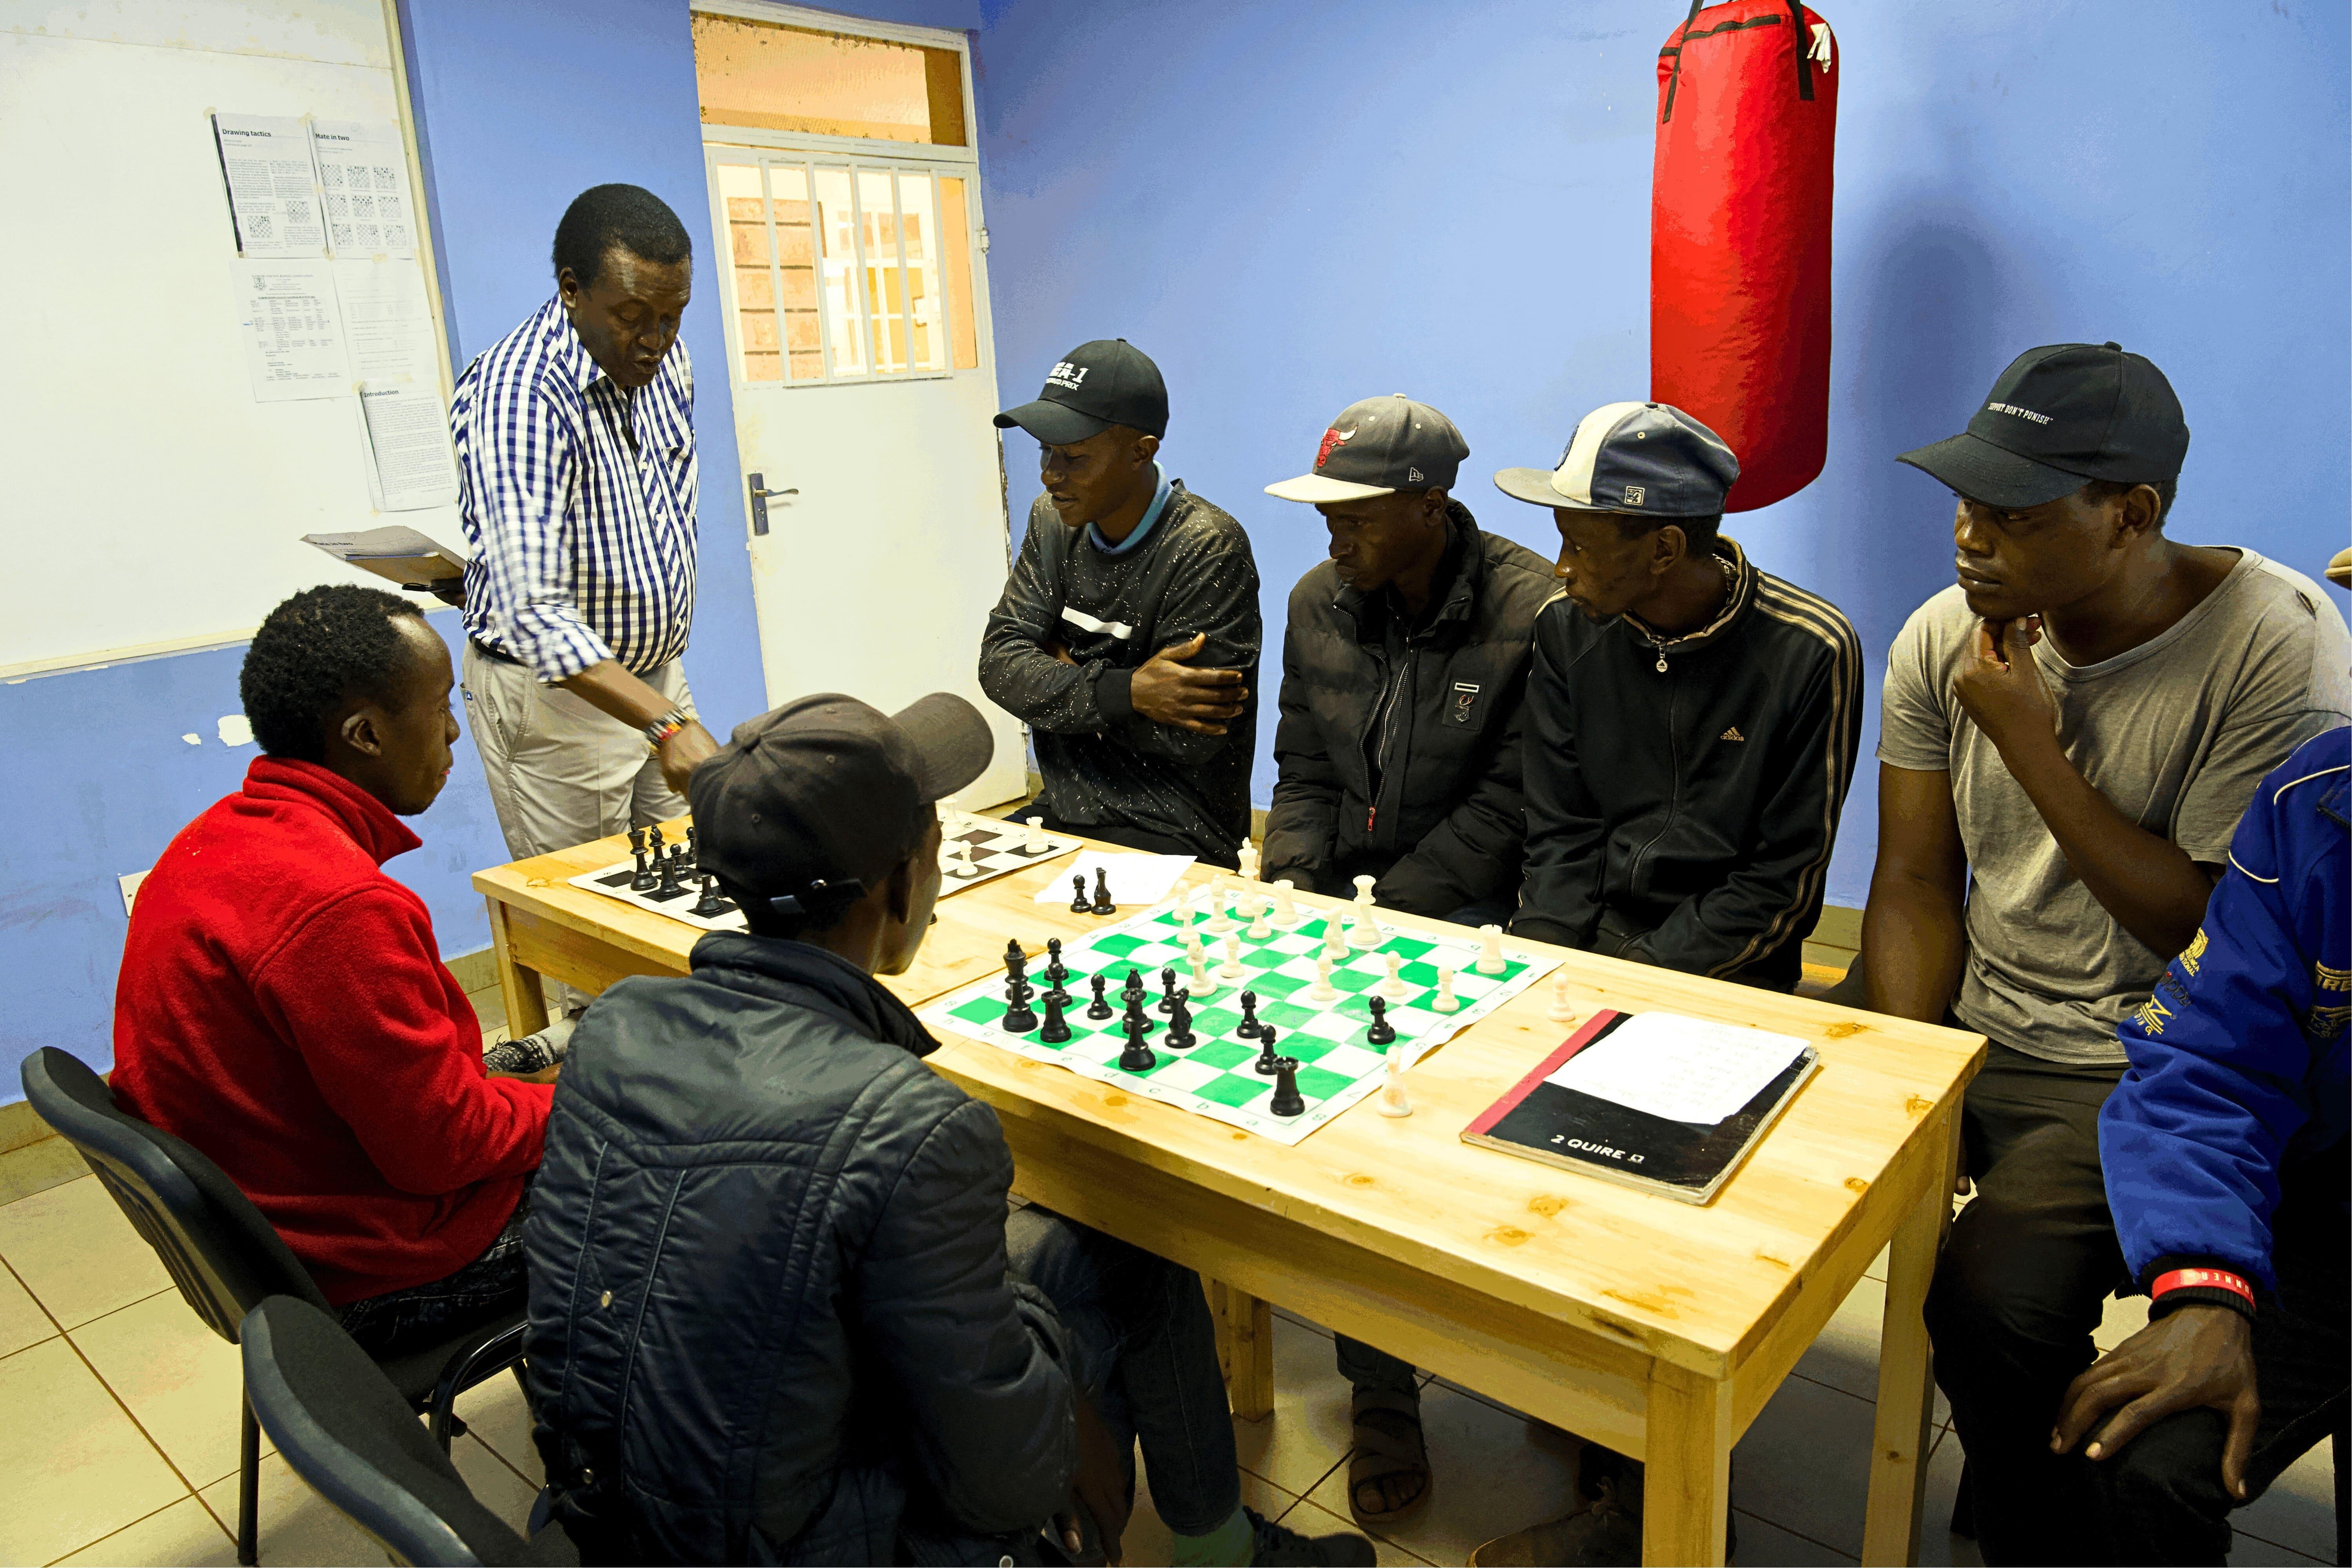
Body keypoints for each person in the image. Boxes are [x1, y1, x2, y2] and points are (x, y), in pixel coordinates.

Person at [521, 692, 1372, 1566]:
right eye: (935, 834)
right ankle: (1183, 1550)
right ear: (902, 882)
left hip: (618, 1512)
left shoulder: (618, 1023)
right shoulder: (913, 1126)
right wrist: (1061, 1406)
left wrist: (1008, 1328)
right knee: (1068, 1369)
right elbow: (1000, 1479)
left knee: (1128, 1246)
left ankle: (1214, 1544)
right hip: (811, 1542)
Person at [1840, 342, 2351, 1565]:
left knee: (1990, 1299)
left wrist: (2029, 740)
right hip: (1980, 1020)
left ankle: (2040, 1515)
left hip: (2147, 1047)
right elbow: (1913, 882)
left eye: (2012, 516)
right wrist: (1915, 1079)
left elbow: (2209, 942)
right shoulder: (1940, 636)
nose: (1971, 540)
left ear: (2133, 514)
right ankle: (2034, 1489)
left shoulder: (2278, 648)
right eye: (1964, 505)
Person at [110, 586, 557, 1357]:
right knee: (684, 1163)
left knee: (560, 1069)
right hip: (373, 1271)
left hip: (284, 1234)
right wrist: (595, 1103)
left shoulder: (213, 840)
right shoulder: (339, 906)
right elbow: (442, 1147)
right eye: (441, 703)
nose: (455, 730)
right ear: (364, 733)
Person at [1256, 393, 1555, 1528]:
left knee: (1485, 1157)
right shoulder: (1316, 601)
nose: (1334, 531)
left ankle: (1548, 1363)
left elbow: (1515, 804)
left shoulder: (1535, 609)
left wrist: (1389, 916)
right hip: (1345, 902)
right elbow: (1301, 764)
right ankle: (1381, 1393)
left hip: (1476, 908)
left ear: (1432, 507)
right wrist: (1294, 892)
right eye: (1326, 508)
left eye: (1359, 512)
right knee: (1350, 1160)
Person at [2040, 722, 2347, 1565]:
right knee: (2139, 1455)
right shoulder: (2315, 795)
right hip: (2325, 1202)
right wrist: (2209, 1288)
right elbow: (2214, 1055)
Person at [1499, 401, 1864, 990]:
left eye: (1581, 546)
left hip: (1727, 961)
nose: (1562, 568)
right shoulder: (1564, 628)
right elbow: (1560, 831)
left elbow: (1782, 877)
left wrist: (1640, 977)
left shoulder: (1810, 649)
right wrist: (1538, 967)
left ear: (1664, 550)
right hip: (1587, 943)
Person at [450, 182, 719, 880]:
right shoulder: (520, 394)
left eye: (674, 316)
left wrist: (664, 707)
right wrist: (666, 725)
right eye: (635, 318)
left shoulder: (664, 363)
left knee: (702, 885)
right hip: (557, 708)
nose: (657, 342)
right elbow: (536, 614)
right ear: (572, 290)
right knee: (595, 921)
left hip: (655, 679)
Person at [980, 339, 1261, 868]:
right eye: (1045, 451)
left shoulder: (1207, 546)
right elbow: (1000, 666)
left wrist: (1063, 672)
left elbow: (1188, 735)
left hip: (1173, 825)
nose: (1049, 474)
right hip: (1064, 805)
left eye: (1073, 457)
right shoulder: (1051, 519)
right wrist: (1129, 689)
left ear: (1141, 451)